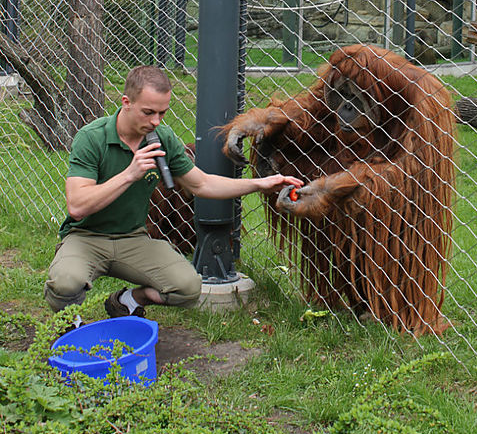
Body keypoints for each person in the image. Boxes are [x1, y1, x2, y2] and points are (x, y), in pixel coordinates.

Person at [44, 65, 302, 319]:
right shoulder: (91, 138)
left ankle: (127, 301)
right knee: (66, 284)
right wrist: (129, 175)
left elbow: (202, 184)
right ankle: (71, 324)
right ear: (126, 102)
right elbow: (77, 206)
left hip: (131, 238)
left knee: (188, 288)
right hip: (87, 235)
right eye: (148, 112)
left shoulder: (160, 137)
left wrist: (261, 183)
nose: (155, 121)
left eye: (162, 113)